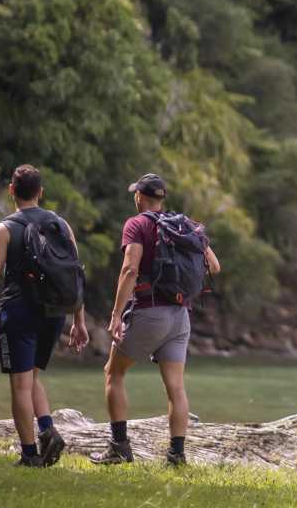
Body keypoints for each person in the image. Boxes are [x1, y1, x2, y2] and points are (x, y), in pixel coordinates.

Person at [0, 164, 89, 468]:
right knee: (31, 376)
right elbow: (75, 275)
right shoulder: (61, 225)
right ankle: (47, 430)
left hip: (19, 312)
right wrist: (79, 321)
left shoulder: (4, 230)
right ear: (40, 192)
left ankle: (29, 454)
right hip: (54, 313)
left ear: (11, 191)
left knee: (20, 384)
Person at [94, 172, 221, 466]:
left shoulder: (136, 224)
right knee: (176, 387)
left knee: (113, 373)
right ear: (162, 200)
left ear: (139, 197)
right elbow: (214, 265)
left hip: (149, 312)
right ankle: (176, 455)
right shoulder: (185, 225)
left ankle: (119, 447)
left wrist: (116, 314)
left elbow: (129, 270)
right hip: (180, 316)